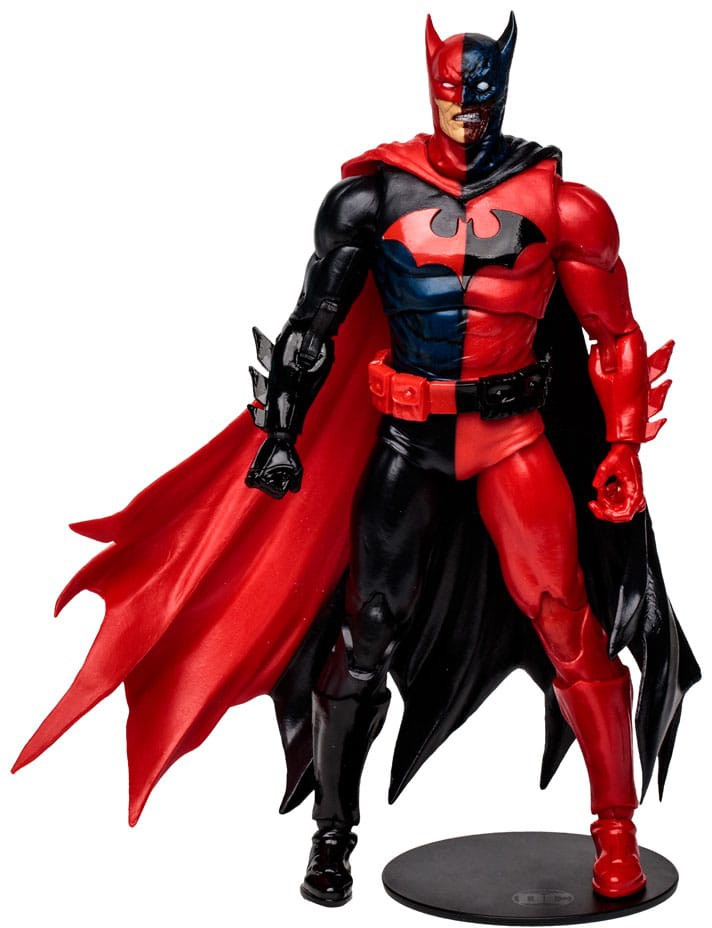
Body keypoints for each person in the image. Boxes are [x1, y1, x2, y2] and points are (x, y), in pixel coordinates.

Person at [14, 13, 699, 911]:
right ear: (430, 86)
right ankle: (332, 832)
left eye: (482, 91)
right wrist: (283, 435)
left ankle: (616, 831)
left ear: (504, 89)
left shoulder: (567, 205)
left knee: (567, 624)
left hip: (513, 438)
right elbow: (313, 327)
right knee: (365, 630)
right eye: (453, 91)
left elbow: (615, 335)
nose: (468, 107)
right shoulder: (371, 199)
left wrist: (622, 446)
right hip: (408, 440)